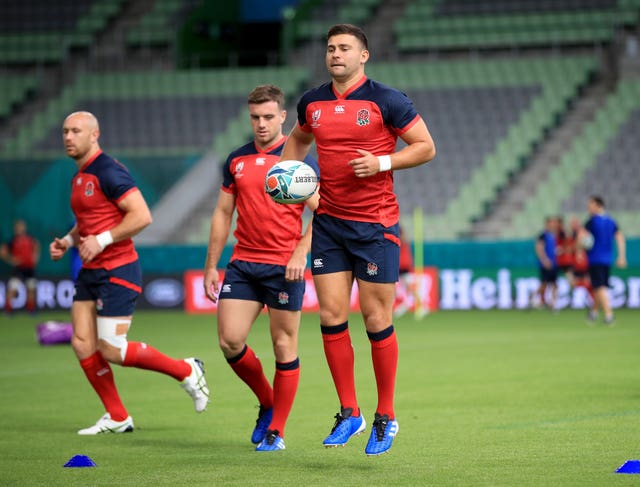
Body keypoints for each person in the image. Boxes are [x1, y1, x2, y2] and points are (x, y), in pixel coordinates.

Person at [278, 24, 436, 456]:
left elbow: (425, 147)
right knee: (330, 315)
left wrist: (383, 161)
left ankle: (385, 416)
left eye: (345, 48)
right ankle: (350, 412)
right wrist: (287, 177)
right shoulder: (312, 102)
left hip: (376, 225)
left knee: (374, 319)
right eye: (330, 48)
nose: (335, 54)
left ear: (363, 55)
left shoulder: (388, 100)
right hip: (329, 222)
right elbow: (297, 141)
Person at [49, 111, 209, 435]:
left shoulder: (108, 170)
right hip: (91, 271)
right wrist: (68, 241)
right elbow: (90, 221)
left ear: (95, 134)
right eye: (65, 131)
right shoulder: (79, 177)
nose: (68, 137)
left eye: (76, 131)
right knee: (82, 343)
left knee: (112, 349)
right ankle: (118, 416)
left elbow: (142, 215)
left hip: (118, 268)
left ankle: (186, 370)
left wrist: (103, 240)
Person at [203, 85, 319, 452]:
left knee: (284, 346)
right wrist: (211, 266)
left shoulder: (298, 159)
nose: (261, 124)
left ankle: (277, 431)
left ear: (283, 117)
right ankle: (267, 402)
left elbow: (325, 211)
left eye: (269, 117)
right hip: (243, 264)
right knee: (230, 340)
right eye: (255, 117)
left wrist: (302, 249)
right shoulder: (236, 160)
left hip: (285, 268)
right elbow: (223, 213)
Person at [582, 195, 627, 325]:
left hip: (595, 259)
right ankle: (594, 312)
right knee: (598, 286)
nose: (588, 208)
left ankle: (609, 315)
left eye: (590, 205)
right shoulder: (611, 221)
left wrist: (580, 248)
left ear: (598, 205)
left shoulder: (592, 221)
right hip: (607, 259)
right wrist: (621, 256)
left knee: (600, 286)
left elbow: (582, 237)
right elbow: (619, 238)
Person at [1, 219, 40, 314]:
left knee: (31, 289)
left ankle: (31, 310)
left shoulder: (29, 238)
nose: (20, 229)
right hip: (18, 269)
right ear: (15, 229)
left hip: (29, 268)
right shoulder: (13, 240)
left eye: (22, 226)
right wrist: (11, 260)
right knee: (13, 288)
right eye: (18, 227)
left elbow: (37, 245)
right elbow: (2, 251)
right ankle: (8, 309)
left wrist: (35, 257)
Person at [531, 216, 558, 310]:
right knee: (544, 285)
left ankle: (553, 304)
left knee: (555, 285)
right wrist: (544, 260)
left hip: (554, 263)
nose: (553, 225)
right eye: (551, 223)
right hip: (545, 264)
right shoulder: (543, 235)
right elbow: (539, 248)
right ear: (547, 224)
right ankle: (533, 297)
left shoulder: (552, 235)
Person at [393, 226, 415, 318]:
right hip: (398, 266)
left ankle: (411, 305)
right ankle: (403, 306)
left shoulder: (402, 242)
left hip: (404, 266)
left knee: (410, 287)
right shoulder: (399, 241)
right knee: (395, 288)